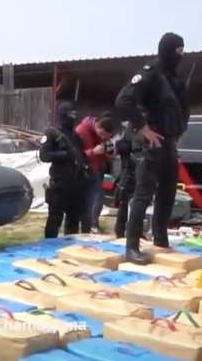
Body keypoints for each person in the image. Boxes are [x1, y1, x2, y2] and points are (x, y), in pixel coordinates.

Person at [114, 32, 190, 264]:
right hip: (152, 143)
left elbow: (181, 110)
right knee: (143, 195)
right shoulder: (150, 73)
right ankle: (132, 246)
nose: (180, 56)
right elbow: (124, 101)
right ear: (166, 50)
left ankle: (160, 240)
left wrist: (178, 133)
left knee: (167, 194)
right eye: (177, 51)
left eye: (182, 51)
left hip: (170, 143)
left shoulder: (174, 79)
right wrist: (143, 128)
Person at [39, 101, 90, 238]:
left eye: (74, 114)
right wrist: (65, 155)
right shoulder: (52, 133)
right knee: (55, 218)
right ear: (63, 115)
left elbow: (81, 155)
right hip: (59, 182)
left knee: (73, 219)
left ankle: (70, 245)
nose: (73, 117)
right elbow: (44, 155)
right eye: (70, 114)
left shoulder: (75, 136)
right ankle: (49, 246)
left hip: (75, 182)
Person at [75, 114, 115, 232]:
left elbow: (109, 152)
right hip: (88, 169)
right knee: (94, 196)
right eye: (102, 134)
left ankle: (93, 223)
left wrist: (110, 151)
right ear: (98, 126)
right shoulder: (81, 131)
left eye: (106, 136)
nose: (103, 137)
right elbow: (76, 154)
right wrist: (93, 151)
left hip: (105, 167)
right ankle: (91, 224)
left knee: (102, 195)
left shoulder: (104, 134)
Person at [111, 123, 139, 238]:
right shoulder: (126, 138)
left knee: (130, 204)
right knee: (126, 204)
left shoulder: (125, 137)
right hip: (129, 173)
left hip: (131, 172)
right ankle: (121, 232)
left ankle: (125, 231)